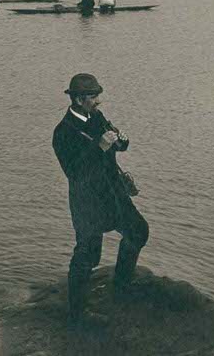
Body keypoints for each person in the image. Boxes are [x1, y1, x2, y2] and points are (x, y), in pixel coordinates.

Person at [52, 73, 149, 328]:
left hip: (113, 192)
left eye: (97, 96)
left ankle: (122, 286)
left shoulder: (96, 117)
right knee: (87, 256)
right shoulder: (63, 132)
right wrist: (100, 147)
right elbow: (75, 172)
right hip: (87, 201)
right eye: (94, 97)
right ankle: (77, 315)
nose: (98, 101)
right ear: (80, 99)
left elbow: (114, 145)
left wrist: (121, 141)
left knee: (138, 231)